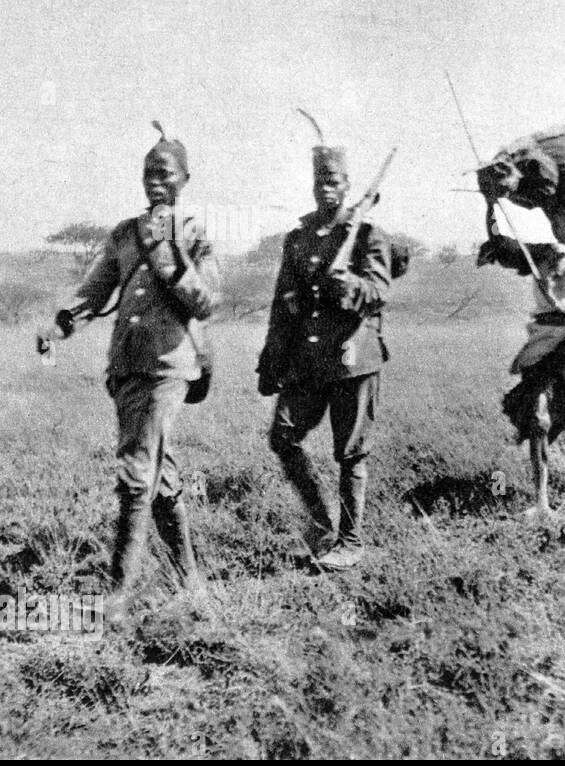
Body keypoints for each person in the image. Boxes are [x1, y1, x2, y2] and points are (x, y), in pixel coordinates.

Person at [39, 124, 219, 622]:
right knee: (160, 476)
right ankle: (191, 583)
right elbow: (94, 291)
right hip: (127, 367)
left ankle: (118, 595)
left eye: (165, 173)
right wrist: (60, 324)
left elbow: (208, 302)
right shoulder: (124, 233)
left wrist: (172, 262)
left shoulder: (193, 234)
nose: (155, 181)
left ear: (185, 179)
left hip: (169, 367)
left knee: (137, 474)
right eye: (148, 173)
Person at [257, 142, 392, 571]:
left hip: (353, 358)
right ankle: (320, 525)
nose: (325, 188)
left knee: (350, 453)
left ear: (347, 185)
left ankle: (350, 541)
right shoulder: (298, 239)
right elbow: (284, 303)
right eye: (320, 180)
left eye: (333, 181)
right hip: (308, 361)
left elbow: (378, 293)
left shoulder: (368, 236)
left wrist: (348, 284)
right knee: (283, 436)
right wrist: (272, 360)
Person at [478, 195, 565, 521]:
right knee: (538, 419)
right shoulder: (537, 253)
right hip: (542, 343)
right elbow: (497, 240)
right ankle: (541, 502)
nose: (561, 226)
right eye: (556, 220)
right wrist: (490, 203)